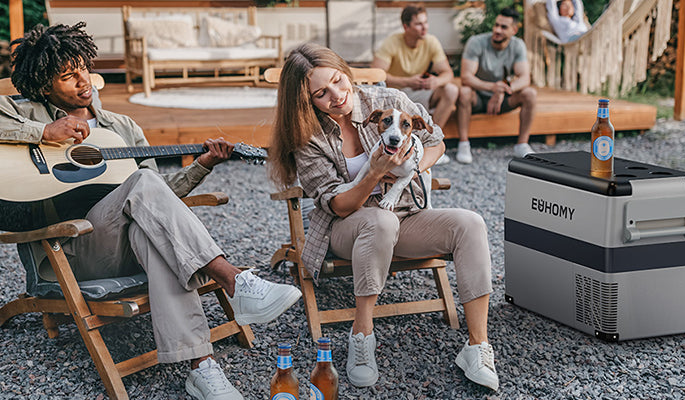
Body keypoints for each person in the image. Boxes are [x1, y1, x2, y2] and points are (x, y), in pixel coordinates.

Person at [1, 23, 302, 400]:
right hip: (72, 250)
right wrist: (41, 133)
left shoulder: (121, 127)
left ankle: (202, 367)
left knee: (152, 221)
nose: (84, 82)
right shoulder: (20, 111)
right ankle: (235, 279)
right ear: (46, 87)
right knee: (142, 187)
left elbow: (162, 197)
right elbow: (146, 189)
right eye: (67, 76)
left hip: (127, 243)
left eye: (83, 70)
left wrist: (203, 164)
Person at [269, 42, 499, 392]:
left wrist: (408, 168)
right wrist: (375, 174)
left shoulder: (387, 101)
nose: (337, 95)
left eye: (338, 81)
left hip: (405, 216)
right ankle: (362, 337)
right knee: (380, 221)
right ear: (307, 101)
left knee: (470, 223)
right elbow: (337, 205)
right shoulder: (308, 136)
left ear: (346, 72)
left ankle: (477, 346)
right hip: (348, 227)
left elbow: (436, 141)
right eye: (321, 93)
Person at [371, 4, 458, 165]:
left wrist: (435, 81)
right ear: (406, 27)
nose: (424, 27)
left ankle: (431, 143)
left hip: (419, 93)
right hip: (395, 97)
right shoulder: (392, 42)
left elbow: (448, 73)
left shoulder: (431, 41)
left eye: (425, 22)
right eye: (419, 24)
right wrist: (407, 81)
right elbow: (376, 74)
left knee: (451, 90)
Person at [457, 7, 537, 159]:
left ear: (514, 30)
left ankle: (522, 144)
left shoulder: (518, 45)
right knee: (464, 92)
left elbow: (525, 78)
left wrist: (502, 91)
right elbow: (466, 77)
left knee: (530, 94)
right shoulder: (476, 42)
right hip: (479, 97)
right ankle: (464, 144)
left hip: (503, 99)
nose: (497, 30)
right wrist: (493, 87)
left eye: (503, 27)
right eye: (496, 25)